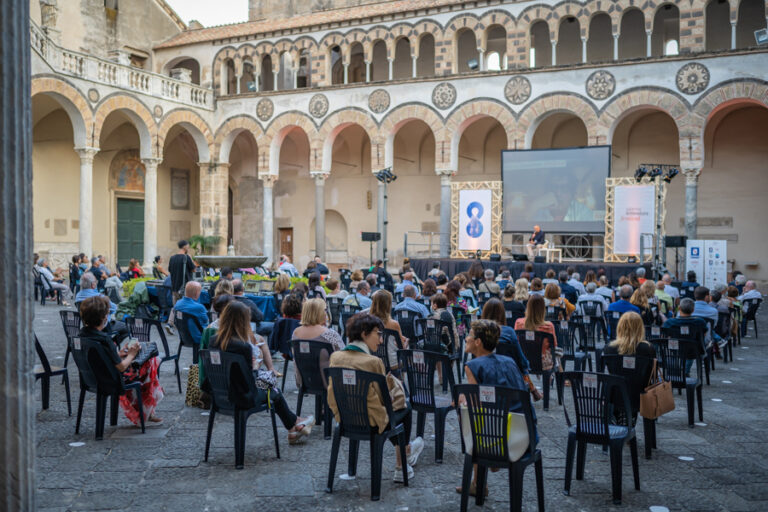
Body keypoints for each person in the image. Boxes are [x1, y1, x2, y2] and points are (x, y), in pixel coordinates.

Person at [327, 313, 425, 481]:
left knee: (394, 411)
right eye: (378, 335)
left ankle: (405, 453)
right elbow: (384, 399)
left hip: (345, 417)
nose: (380, 340)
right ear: (365, 333)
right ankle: (401, 464)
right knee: (405, 408)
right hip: (371, 420)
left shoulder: (335, 357)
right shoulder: (373, 362)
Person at [209, 301, 315, 444]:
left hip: (219, 394)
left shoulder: (213, 341)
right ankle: (295, 424)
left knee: (270, 386)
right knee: (273, 390)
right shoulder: (243, 347)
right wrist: (255, 365)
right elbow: (250, 381)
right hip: (243, 396)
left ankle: (294, 426)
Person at [457, 319, 535, 497]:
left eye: (469, 335)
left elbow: (476, 408)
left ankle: (478, 480)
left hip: (498, 437)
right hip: (525, 435)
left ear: (478, 342)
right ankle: (478, 482)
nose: (466, 339)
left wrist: (463, 398)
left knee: (469, 416)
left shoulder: (473, 367)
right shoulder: (510, 362)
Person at [78, 295, 164, 425]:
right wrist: (131, 354)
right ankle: (146, 411)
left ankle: (146, 411)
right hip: (111, 380)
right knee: (150, 363)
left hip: (92, 378)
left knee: (148, 364)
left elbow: (101, 357)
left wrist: (118, 353)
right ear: (103, 317)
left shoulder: (82, 335)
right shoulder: (105, 339)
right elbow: (122, 367)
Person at [602, 312, 656, 422]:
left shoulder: (609, 348)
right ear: (640, 328)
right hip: (640, 392)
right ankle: (628, 425)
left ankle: (624, 424)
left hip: (616, 391)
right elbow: (652, 372)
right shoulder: (648, 348)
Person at [76, 272, 130, 344]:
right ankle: (112, 344)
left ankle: (108, 344)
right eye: (96, 282)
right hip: (103, 326)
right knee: (127, 327)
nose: (96, 283)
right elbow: (114, 308)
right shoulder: (99, 297)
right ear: (93, 285)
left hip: (87, 326)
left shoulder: (78, 296)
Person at [514, 295, 558, 371]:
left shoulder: (518, 323)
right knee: (557, 357)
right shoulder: (549, 326)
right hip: (543, 363)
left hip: (523, 361)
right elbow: (554, 345)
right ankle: (559, 380)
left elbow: (516, 343)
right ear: (543, 309)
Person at [369, 290, 408, 370]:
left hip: (373, 362)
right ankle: (399, 381)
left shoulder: (367, 321)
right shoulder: (394, 324)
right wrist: (406, 341)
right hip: (391, 364)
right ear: (388, 305)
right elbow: (402, 347)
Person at [172, 282, 210, 348]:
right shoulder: (199, 307)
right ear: (197, 293)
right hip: (198, 338)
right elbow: (207, 321)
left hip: (184, 338)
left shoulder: (178, 304)